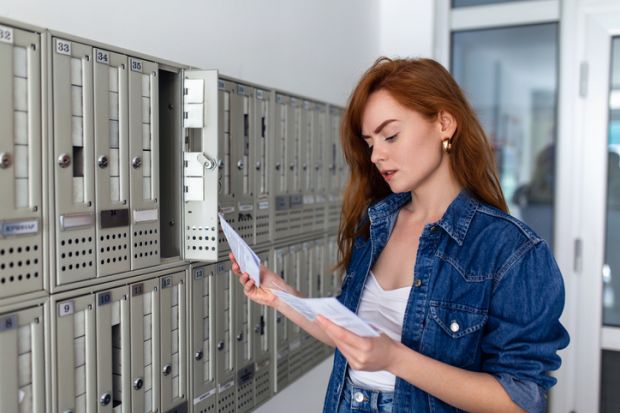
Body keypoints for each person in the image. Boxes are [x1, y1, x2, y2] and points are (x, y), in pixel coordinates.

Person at [229, 57, 569, 413]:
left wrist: (395, 359)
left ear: (444, 124)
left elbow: (518, 399)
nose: (377, 154)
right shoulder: (377, 224)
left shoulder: (511, 250)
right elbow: (352, 338)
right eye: (370, 142)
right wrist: (279, 293)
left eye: (390, 135)